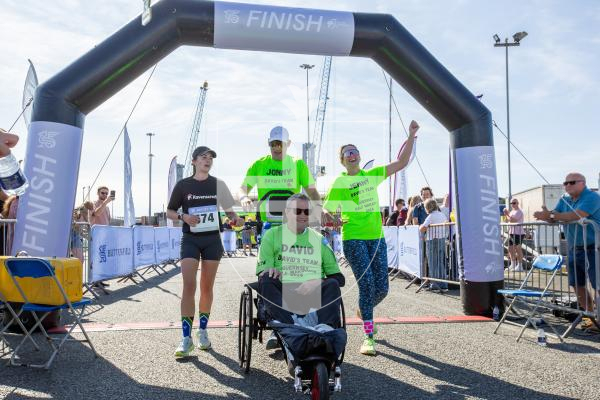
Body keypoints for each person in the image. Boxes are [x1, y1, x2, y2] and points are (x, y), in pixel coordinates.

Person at [323, 120, 420, 355]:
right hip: (353, 238)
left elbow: (402, 162)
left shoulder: (372, 175)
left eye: (354, 151)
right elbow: (327, 209)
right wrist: (331, 218)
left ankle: (363, 309)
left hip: (376, 239)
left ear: (359, 155)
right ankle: (368, 336)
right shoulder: (340, 182)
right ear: (343, 160)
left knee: (383, 289)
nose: (352, 154)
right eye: (347, 153)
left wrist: (411, 135)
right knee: (366, 286)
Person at [167, 146, 240, 357]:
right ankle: (186, 338)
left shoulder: (218, 185)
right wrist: (184, 217)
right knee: (189, 285)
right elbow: (170, 211)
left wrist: (236, 220)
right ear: (194, 161)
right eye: (203, 157)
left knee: (206, 287)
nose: (207, 160)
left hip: (212, 240)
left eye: (210, 158)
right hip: (190, 239)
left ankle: (203, 331)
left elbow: (230, 213)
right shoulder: (183, 185)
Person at [257, 193, 345, 348]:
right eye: (298, 211)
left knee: (331, 284)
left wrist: (317, 281)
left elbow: (339, 278)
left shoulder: (318, 239)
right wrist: (270, 270)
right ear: (287, 213)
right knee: (266, 280)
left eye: (307, 211)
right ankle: (289, 326)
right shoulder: (272, 235)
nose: (303, 215)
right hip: (283, 294)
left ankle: (324, 328)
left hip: (313, 295)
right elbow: (263, 270)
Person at [533, 172, 600, 332]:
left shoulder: (592, 197)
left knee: (598, 285)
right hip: (574, 248)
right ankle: (590, 318)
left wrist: (551, 215)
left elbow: (574, 215)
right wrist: (547, 215)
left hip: (594, 248)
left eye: (571, 182)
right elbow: (556, 217)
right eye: (565, 183)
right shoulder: (565, 199)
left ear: (582, 183)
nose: (567, 185)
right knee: (577, 285)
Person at [239, 126, 320, 233]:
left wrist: (319, 209)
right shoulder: (259, 165)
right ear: (269, 143)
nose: (277, 148)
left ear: (289, 143)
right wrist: (244, 198)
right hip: (267, 223)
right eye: (273, 144)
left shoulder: (298, 164)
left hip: (292, 222)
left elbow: (313, 192)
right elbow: (242, 189)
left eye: (281, 144)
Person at [419, 198, 449, 292]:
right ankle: (443, 284)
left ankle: (435, 284)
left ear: (427, 207)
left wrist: (420, 226)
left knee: (432, 263)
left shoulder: (431, 216)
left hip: (432, 240)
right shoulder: (442, 214)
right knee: (440, 262)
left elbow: (423, 228)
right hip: (441, 239)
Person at [503, 198, 525, 272]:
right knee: (510, 248)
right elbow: (507, 220)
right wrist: (506, 215)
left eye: (514, 203)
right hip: (512, 232)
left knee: (518, 249)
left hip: (518, 233)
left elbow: (513, 220)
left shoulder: (519, 211)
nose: (512, 204)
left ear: (518, 203)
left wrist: (507, 214)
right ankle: (513, 264)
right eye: (511, 203)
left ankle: (520, 265)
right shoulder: (512, 211)